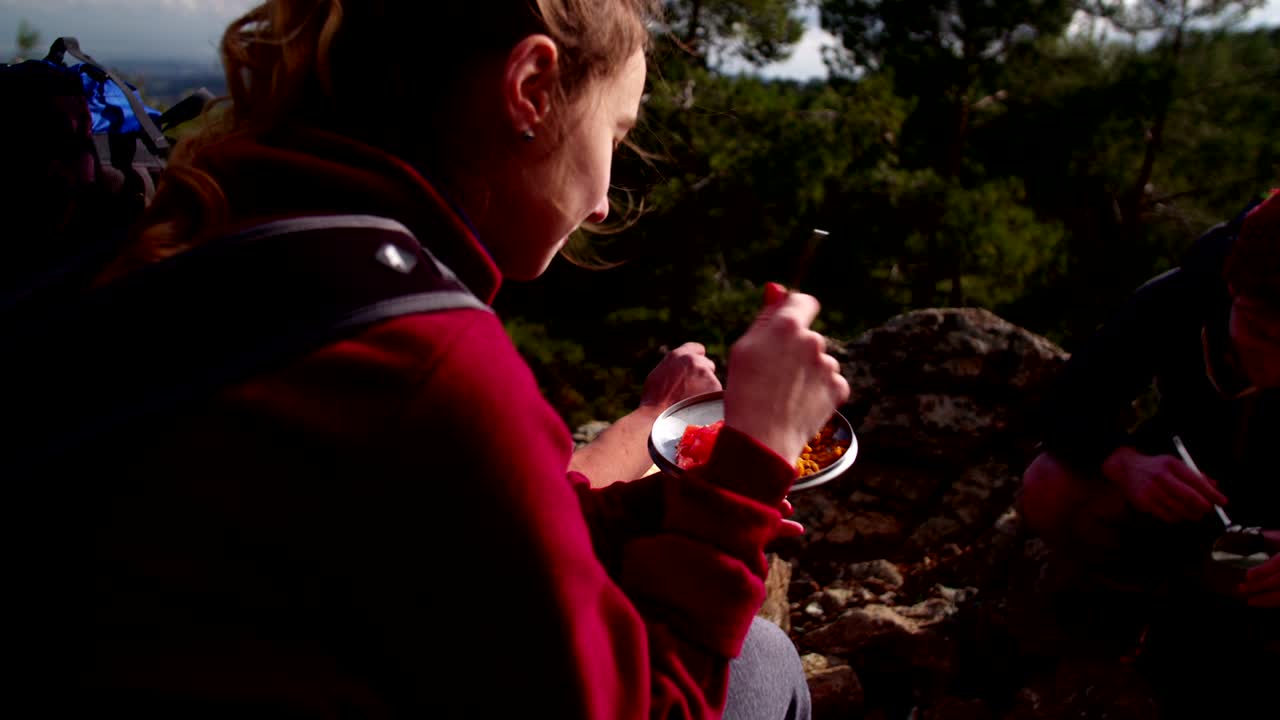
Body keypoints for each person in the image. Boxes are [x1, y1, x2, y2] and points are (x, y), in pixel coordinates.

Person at [10, 2, 850, 718]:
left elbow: (427, 536)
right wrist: (753, 463)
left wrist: (640, 488)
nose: (601, 202)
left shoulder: (221, 221)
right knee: (766, 665)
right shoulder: (420, 363)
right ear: (531, 89)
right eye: (614, 133)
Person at [1019, 190, 1278, 716]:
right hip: (1185, 510)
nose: (1272, 367)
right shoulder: (1185, 295)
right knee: (1050, 485)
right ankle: (1128, 612)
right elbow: (1067, 400)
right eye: (1260, 331)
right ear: (1231, 289)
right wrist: (1123, 462)